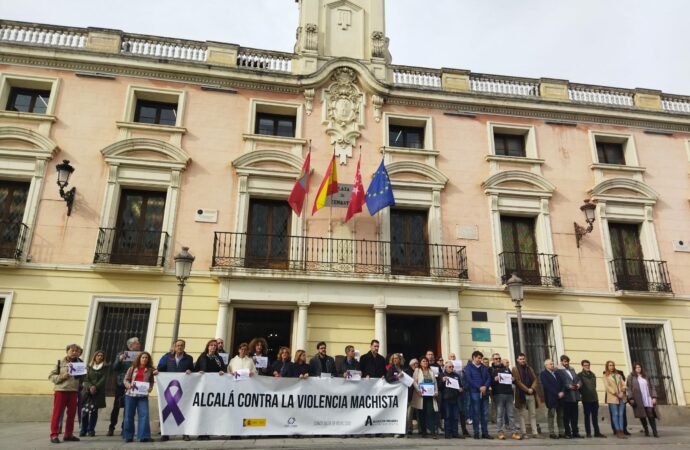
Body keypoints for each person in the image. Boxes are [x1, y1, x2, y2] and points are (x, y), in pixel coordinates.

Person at [157, 339, 194, 442]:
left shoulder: (189, 358)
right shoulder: (168, 357)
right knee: (167, 412)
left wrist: (190, 370)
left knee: (184, 411)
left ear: (184, 347)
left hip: (183, 389)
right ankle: (166, 434)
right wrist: (157, 372)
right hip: (169, 388)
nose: (179, 347)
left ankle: (185, 433)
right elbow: (161, 368)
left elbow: (193, 370)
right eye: (178, 345)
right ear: (174, 346)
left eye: (181, 345)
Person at [48, 344, 82, 444]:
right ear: (67, 351)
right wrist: (62, 376)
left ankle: (68, 434)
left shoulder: (80, 363)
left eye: (77, 351)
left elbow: (84, 377)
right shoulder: (60, 363)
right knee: (57, 414)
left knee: (71, 414)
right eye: (72, 350)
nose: (75, 353)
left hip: (74, 391)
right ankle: (54, 434)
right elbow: (51, 376)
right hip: (61, 391)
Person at [109, 337, 140, 437]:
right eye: (137, 343)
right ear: (131, 345)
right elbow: (114, 368)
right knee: (116, 407)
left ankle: (124, 428)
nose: (139, 344)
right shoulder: (122, 354)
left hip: (133, 385)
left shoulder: (139, 355)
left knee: (129, 408)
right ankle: (111, 427)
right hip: (121, 384)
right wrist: (119, 360)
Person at [195, 339, 226, 441]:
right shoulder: (202, 357)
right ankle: (201, 433)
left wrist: (222, 371)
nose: (213, 347)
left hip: (215, 389)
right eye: (211, 345)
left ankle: (209, 431)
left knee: (211, 411)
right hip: (204, 388)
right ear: (208, 347)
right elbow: (196, 368)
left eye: (214, 345)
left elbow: (224, 369)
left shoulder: (219, 358)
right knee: (203, 410)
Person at [123, 351, 155, 443]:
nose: (144, 359)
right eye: (143, 357)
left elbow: (151, 381)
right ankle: (128, 436)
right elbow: (126, 379)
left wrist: (150, 388)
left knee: (144, 415)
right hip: (130, 395)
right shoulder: (132, 368)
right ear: (139, 359)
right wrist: (128, 385)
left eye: (146, 358)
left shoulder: (150, 370)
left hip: (143, 396)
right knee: (128, 415)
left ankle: (144, 436)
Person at [627, 362, 660, 438]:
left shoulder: (646, 376)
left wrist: (654, 397)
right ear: (634, 369)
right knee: (642, 415)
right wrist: (631, 398)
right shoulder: (631, 377)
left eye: (639, 367)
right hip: (638, 399)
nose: (638, 368)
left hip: (647, 398)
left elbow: (652, 387)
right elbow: (629, 388)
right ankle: (646, 430)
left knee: (650, 415)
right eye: (637, 367)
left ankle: (655, 431)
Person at [465, 350, 492, 439]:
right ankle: (476, 432)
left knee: (485, 413)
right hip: (475, 392)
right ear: (473, 357)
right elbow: (469, 380)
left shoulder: (484, 367)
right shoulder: (468, 367)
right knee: (475, 413)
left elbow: (489, 378)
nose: (480, 360)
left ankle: (485, 432)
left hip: (484, 392)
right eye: (478, 358)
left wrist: (485, 386)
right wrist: (479, 387)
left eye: (481, 358)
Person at [512, 353, 541, 438]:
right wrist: (527, 389)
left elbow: (535, 379)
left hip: (531, 393)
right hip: (521, 394)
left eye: (523, 359)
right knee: (522, 414)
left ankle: (535, 432)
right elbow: (517, 381)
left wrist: (532, 388)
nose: (522, 360)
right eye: (520, 359)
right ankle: (524, 433)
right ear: (517, 360)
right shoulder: (515, 369)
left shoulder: (529, 368)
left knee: (533, 414)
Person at [492, 358, 521, 440]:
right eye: (496, 359)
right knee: (500, 415)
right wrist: (494, 379)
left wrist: (513, 379)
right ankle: (500, 432)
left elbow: (514, 381)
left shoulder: (507, 370)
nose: (498, 360)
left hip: (509, 395)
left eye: (499, 359)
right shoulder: (494, 371)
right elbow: (491, 382)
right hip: (499, 395)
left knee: (511, 415)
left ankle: (514, 432)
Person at [80, 350, 107, 437]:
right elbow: (85, 379)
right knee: (85, 412)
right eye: (98, 355)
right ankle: (83, 429)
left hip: (97, 393)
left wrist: (95, 387)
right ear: (95, 356)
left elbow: (103, 379)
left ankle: (91, 430)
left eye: (101, 356)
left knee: (94, 412)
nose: (100, 357)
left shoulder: (105, 367)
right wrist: (90, 387)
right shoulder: (88, 367)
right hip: (87, 393)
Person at [412, 357, 438, 439]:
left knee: (431, 413)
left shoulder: (431, 371)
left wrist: (436, 391)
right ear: (420, 362)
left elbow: (435, 382)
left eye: (426, 361)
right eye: (423, 361)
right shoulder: (417, 370)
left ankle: (433, 432)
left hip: (430, 396)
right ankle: (424, 432)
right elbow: (414, 381)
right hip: (421, 395)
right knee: (422, 414)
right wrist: (418, 390)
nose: (425, 362)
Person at [578, 359, 606, 438]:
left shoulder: (592, 374)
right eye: (585, 365)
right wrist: (583, 394)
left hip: (594, 398)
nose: (587, 366)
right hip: (586, 399)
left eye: (588, 365)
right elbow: (579, 387)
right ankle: (588, 433)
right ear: (582, 366)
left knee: (595, 416)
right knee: (587, 416)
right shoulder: (580, 375)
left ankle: (597, 432)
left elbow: (594, 386)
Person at [539, 358, 566, 439]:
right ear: (546, 365)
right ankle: (552, 432)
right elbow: (547, 386)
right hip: (551, 398)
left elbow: (563, 383)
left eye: (553, 363)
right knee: (551, 416)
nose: (552, 365)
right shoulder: (543, 374)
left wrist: (562, 391)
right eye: (550, 364)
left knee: (560, 416)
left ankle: (561, 432)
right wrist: (557, 393)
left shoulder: (557, 373)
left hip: (560, 398)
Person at [558, 355, 583, 438]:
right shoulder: (558, 370)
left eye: (567, 361)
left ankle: (575, 432)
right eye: (564, 361)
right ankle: (568, 432)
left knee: (575, 415)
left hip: (575, 395)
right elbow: (560, 382)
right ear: (561, 362)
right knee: (566, 416)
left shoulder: (572, 369)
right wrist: (568, 386)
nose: (566, 363)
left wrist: (579, 384)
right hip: (567, 396)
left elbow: (578, 379)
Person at [438, 361, 463, 439]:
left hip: (455, 399)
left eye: (452, 367)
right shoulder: (442, 375)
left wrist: (461, 389)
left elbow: (461, 386)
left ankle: (455, 433)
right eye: (450, 367)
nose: (452, 368)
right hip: (446, 399)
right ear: (445, 367)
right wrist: (442, 381)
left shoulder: (456, 375)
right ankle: (447, 433)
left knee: (455, 417)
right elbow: (439, 387)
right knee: (447, 417)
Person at [603, 360, 627, 439]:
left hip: (621, 397)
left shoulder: (618, 375)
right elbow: (608, 387)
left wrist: (622, 391)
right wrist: (617, 394)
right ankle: (617, 431)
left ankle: (622, 431)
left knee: (621, 415)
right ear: (607, 366)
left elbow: (624, 384)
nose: (611, 367)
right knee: (615, 414)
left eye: (612, 365)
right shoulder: (605, 376)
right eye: (610, 365)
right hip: (613, 398)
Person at [404, 359, 418, 435]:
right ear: (412, 364)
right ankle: (408, 428)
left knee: (414, 413)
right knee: (409, 413)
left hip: (417, 395)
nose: (417, 365)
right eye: (416, 364)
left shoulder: (418, 371)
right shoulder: (407, 371)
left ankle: (412, 428)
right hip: (409, 395)